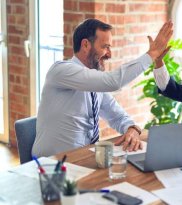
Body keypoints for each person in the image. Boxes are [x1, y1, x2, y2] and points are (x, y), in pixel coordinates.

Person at [32, 18, 173, 157]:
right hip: (51, 165)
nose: (109, 55)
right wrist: (152, 54)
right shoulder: (61, 70)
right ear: (86, 45)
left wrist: (132, 128)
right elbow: (113, 81)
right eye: (105, 47)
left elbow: (116, 115)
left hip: (83, 159)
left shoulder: (94, 83)